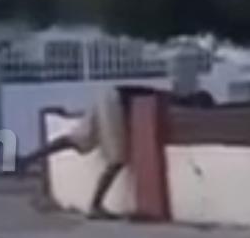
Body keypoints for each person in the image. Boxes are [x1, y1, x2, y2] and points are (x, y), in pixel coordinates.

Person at [19, 86, 212, 220]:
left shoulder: (167, 95)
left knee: (79, 139)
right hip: (115, 103)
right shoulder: (171, 101)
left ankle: (28, 159)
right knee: (117, 158)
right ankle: (96, 206)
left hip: (108, 95)